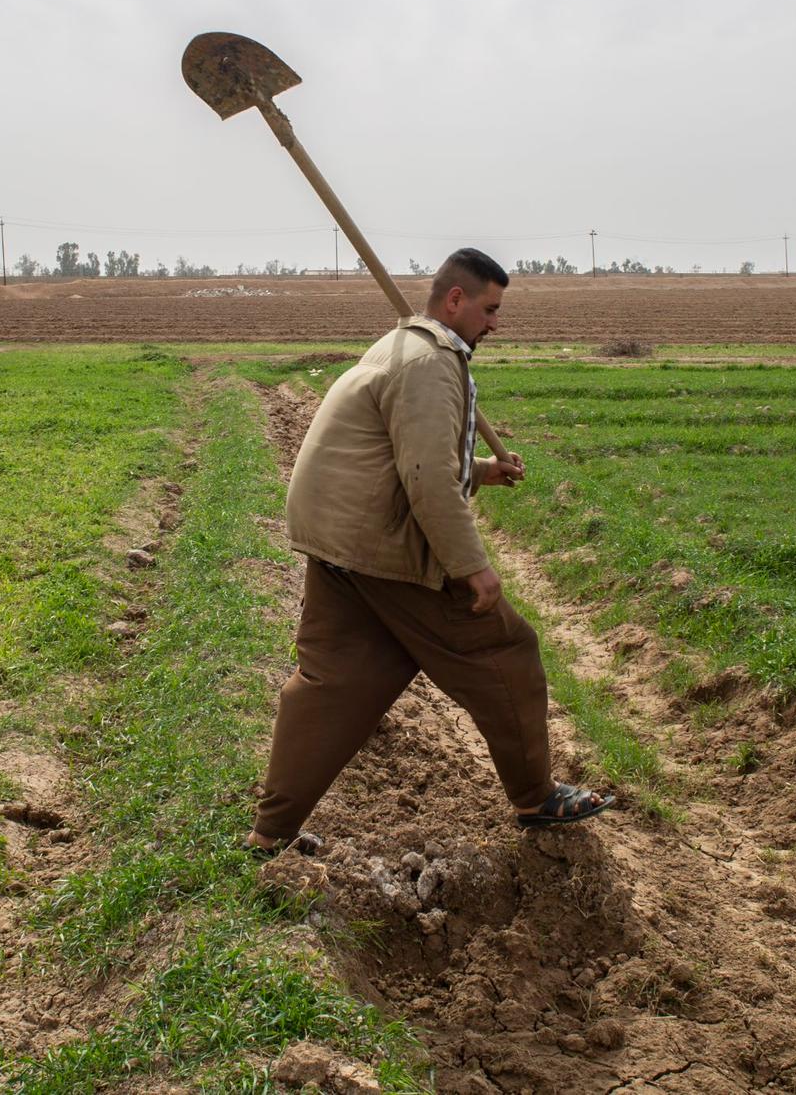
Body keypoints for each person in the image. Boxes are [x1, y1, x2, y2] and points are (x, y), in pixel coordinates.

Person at [246, 247, 613, 855]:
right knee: (507, 648)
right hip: (378, 543)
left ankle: (269, 835)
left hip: (338, 540)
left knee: (335, 682)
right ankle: (535, 797)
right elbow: (426, 477)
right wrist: (473, 567)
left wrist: (482, 471)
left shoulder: (403, 347)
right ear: (456, 301)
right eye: (491, 310)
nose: (495, 324)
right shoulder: (429, 364)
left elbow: (404, 457)